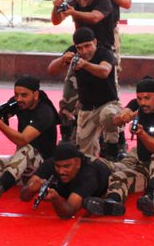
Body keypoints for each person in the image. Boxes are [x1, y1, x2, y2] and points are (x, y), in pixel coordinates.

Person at [83, 77, 154, 217]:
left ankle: (151, 195)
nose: (143, 102)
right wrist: (123, 116)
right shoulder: (138, 106)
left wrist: (141, 133)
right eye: (139, 98)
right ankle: (113, 202)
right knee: (119, 176)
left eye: (147, 98)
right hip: (146, 166)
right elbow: (116, 120)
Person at [0, 76, 60, 209]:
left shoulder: (45, 112)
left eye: (24, 95)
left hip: (41, 167)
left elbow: (22, 139)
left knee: (26, 149)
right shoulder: (17, 103)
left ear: (36, 95)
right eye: (16, 95)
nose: (19, 99)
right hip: (19, 165)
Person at [47, 27, 120, 160]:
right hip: (87, 108)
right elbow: (51, 69)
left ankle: (113, 150)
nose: (84, 51)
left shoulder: (105, 53)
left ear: (95, 42)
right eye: (80, 48)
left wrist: (84, 64)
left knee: (109, 115)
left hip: (108, 103)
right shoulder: (74, 52)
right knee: (84, 155)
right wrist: (63, 59)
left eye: (88, 46)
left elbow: (104, 71)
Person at [20, 140, 112, 219]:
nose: (61, 171)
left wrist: (56, 200)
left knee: (123, 175)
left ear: (78, 163)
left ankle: (112, 200)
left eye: (66, 166)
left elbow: (68, 212)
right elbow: (24, 196)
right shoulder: (50, 165)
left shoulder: (88, 174)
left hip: (109, 168)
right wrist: (31, 189)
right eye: (58, 166)